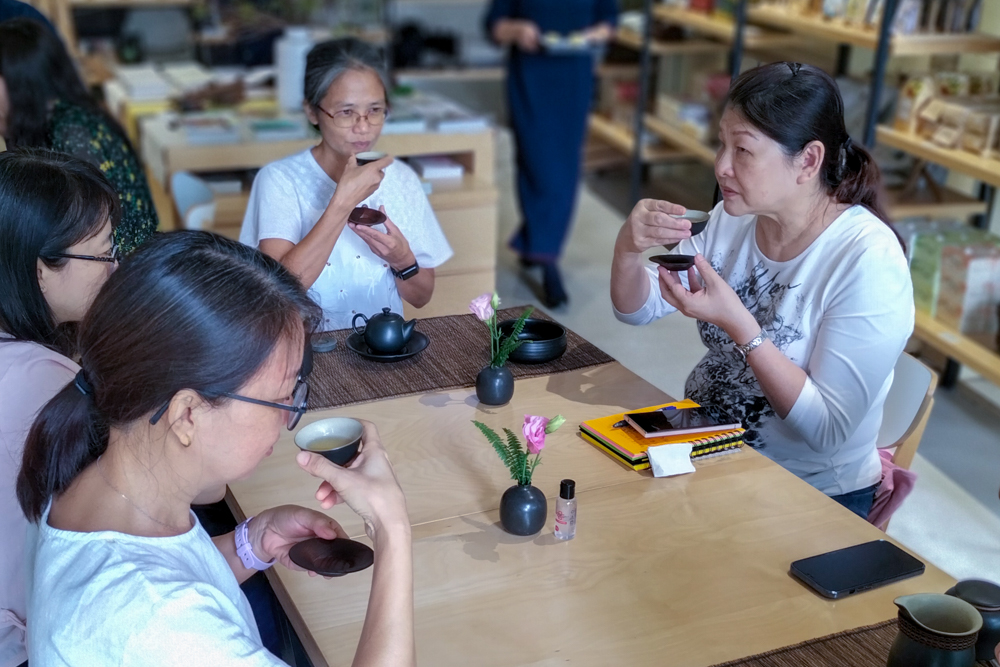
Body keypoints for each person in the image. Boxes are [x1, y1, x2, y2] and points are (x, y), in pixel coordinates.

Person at [17, 230, 414, 666]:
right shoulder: (161, 622)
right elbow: (161, 617)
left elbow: (165, 574)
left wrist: (253, 542)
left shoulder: (84, 474)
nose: (290, 418)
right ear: (187, 414)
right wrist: (391, 525)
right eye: (281, 399)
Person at [610, 62, 913, 520]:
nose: (721, 166)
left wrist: (739, 324)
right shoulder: (733, 217)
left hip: (810, 493)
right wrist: (628, 249)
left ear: (808, 161)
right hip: (707, 450)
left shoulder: (867, 259)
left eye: (743, 150)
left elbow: (828, 430)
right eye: (722, 144)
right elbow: (637, 309)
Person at [0, 148, 119, 667]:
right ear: (40, 270)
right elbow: (134, 512)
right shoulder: (44, 382)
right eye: (103, 254)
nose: (115, 268)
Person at [241, 38, 452, 331]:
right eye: (346, 112)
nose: (363, 127)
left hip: (382, 349)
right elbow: (276, 299)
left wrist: (402, 259)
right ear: (312, 112)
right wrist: (343, 201)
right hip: (309, 351)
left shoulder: (401, 178)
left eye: (375, 110)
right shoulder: (278, 180)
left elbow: (422, 297)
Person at [484, 0, 618, 308]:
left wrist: (593, 35)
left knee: (563, 169)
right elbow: (495, 25)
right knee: (535, 162)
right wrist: (517, 29)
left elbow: (608, 21)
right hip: (530, 77)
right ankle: (540, 246)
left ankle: (544, 253)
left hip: (573, 78)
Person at [0, 18, 158, 255]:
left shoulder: (73, 133)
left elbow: (87, 244)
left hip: (117, 267)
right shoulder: (52, 117)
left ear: (20, 81)